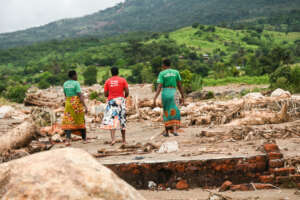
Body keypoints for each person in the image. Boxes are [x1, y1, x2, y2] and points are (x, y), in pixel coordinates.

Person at [153, 59, 184, 137]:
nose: (161, 66)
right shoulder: (176, 72)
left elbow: (160, 86)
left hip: (166, 93)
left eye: (162, 65)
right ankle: (175, 130)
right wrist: (183, 96)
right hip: (174, 92)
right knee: (175, 110)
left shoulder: (162, 73)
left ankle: (167, 132)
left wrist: (155, 97)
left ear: (164, 65)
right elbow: (179, 85)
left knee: (166, 110)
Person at [101, 67, 129, 145]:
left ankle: (113, 139)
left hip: (112, 101)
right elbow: (127, 92)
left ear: (111, 73)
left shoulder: (108, 81)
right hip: (121, 100)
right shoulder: (123, 80)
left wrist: (111, 94)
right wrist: (123, 97)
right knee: (122, 120)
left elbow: (105, 94)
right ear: (118, 72)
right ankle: (124, 140)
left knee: (112, 120)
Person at [61, 70, 88, 146]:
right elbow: (80, 95)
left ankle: (68, 140)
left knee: (68, 120)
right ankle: (84, 139)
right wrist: (85, 106)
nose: (77, 76)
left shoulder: (65, 83)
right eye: (76, 75)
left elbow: (65, 94)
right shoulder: (76, 83)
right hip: (76, 103)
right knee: (80, 119)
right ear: (73, 76)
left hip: (68, 103)